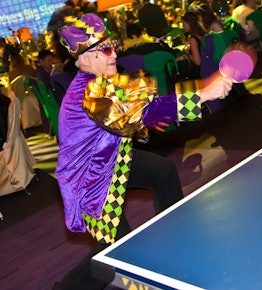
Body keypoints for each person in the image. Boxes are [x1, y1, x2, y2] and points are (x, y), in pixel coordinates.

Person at [53, 12, 233, 289]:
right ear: (85, 60)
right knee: (118, 253)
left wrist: (148, 121)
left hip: (112, 160)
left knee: (163, 171)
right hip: (90, 182)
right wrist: (204, 93)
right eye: (104, 50)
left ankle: (177, 240)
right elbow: (144, 111)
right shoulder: (88, 93)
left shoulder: (103, 81)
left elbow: (140, 106)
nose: (113, 54)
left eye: (112, 46)